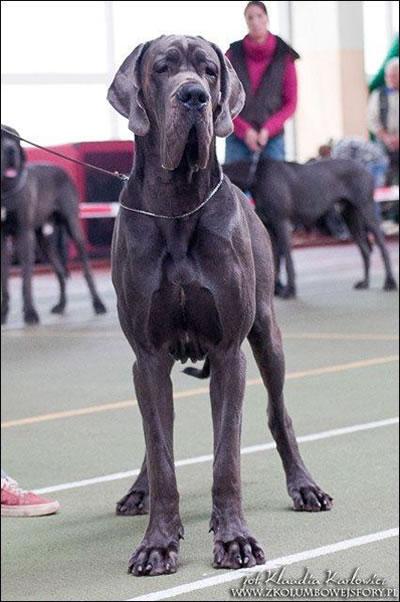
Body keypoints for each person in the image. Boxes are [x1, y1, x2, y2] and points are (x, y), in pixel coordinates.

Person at [225, 0, 299, 164]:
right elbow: (224, 100)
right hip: (237, 138)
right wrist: (244, 131)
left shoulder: (285, 55)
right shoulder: (232, 54)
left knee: (274, 187)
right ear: (246, 21)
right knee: (234, 188)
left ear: (267, 18)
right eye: (250, 18)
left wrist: (268, 129)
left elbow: (291, 103)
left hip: (272, 139)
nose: (255, 22)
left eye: (259, 16)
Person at [367, 57, 399, 185]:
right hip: (384, 143)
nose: (389, 79)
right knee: (383, 178)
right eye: (388, 76)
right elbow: (371, 120)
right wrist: (386, 137)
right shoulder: (378, 94)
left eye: (394, 76)